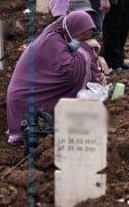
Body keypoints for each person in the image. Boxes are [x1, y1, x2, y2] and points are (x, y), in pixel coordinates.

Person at [6, 11, 101, 145]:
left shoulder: (63, 38)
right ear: (71, 30)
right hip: (28, 96)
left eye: (86, 39)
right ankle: (22, 134)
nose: (81, 43)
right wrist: (86, 49)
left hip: (42, 93)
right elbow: (70, 73)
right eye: (80, 39)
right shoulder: (51, 40)